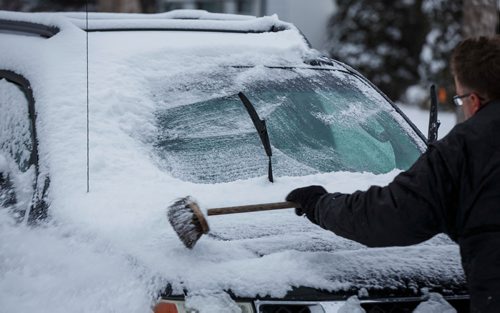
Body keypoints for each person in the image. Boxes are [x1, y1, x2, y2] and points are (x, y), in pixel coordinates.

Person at [286, 36, 500, 313]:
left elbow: (390, 214)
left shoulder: (466, 148)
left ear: (474, 100)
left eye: (459, 100)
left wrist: (319, 205)